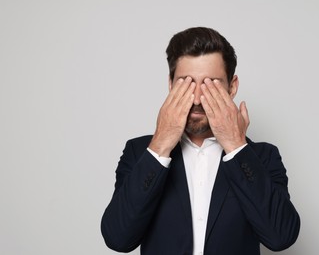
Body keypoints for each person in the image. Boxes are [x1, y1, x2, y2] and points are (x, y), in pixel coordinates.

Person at [101, 27, 300, 255]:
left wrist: (236, 146)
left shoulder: (262, 157)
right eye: (186, 83)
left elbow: (281, 237)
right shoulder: (139, 153)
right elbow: (117, 238)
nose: (196, 98)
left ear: (232, 86)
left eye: (210, 84)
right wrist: (160, 145)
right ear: (170, 84)